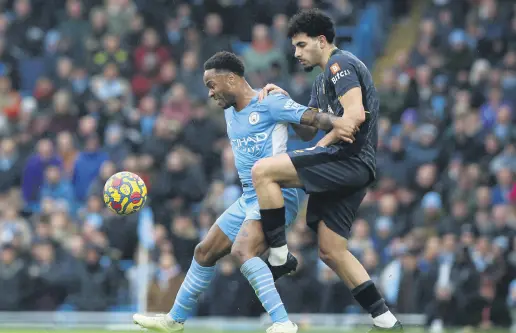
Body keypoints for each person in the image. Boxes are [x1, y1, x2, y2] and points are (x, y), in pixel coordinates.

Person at [133, 51, 332, 333]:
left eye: (212, 85)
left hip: (276, 193)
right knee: (204, 252)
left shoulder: (269, 101)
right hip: (249, 196)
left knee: (243, 250)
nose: (210, 93)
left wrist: (342, 121)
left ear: (231, 79)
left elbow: (311, 128)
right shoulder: (229, 109)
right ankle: (174, 320)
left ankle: (283, 323)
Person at [254, 9, 403, 331]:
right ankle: (387, 321)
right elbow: (309, 130)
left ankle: (279, 255)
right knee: (332, 251)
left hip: (348, 160)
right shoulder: (322, 82)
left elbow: (354, 117)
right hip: (353, 167)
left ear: (321, 41)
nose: (296, 53)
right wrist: (287, 105)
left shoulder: (341, 65)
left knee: (262, 171)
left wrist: (321, 146)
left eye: (302, 45)